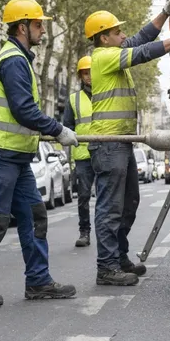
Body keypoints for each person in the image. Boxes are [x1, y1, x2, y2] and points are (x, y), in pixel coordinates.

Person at [0, 0, 79, 307]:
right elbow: (24, 110)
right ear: (22, 27)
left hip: (15, 156)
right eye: (38, 24)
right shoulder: (13, 60)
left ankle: (38, 282)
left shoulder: (20, 58)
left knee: (34, 215)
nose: (43, 30)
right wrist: (58, 130)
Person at [87, 0, 170, 286]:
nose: (123, 36)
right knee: (110, 208)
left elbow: (141, 37)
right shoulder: (103, 57)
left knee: (128, 204)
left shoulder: (112, 52)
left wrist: (164, 13)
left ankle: (119, 257)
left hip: (121, 141)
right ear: (104, 38)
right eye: (117, 33)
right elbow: (144, 52)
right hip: (109, 142)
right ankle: (106, 267)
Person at [63, 55, 95, 248]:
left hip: (104, 152)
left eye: (91, 72)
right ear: (80, 76)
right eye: (85, 73)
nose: (89, 76)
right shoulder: (73, 100)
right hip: (83, 156)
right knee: (83, 196)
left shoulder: (106, 95)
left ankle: (106, 231)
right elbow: (66, 128)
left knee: (107, 198)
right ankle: (84, 232)